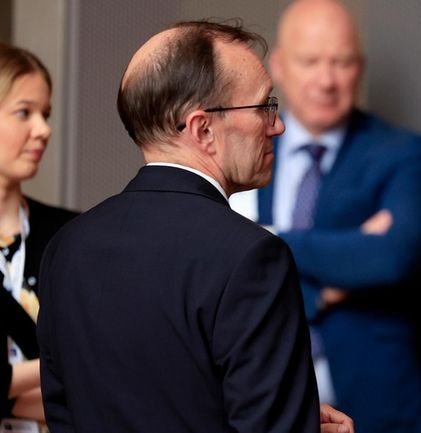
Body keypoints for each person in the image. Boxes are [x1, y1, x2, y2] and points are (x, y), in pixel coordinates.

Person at [36, 20, 353, 433]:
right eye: (264, 106)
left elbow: (66, 415)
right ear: (203, 129)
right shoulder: (250, 256)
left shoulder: (67, 246)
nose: (278, 126)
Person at [229, 1, 421, 432]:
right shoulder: (244, 150)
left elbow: (392, 257)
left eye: (341, 63)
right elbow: (230, 279)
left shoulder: (401, 152)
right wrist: (327, 285)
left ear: (359, 68)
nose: (326, 80)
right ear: (279, 67)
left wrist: (264, 239)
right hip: (263, 398)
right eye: (310, 62)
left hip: (376, 404)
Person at [0, 42, 78, 428]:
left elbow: (96, 380)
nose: (44, 129)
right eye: (24, 113)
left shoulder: (71, 235)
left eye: (45, 114)